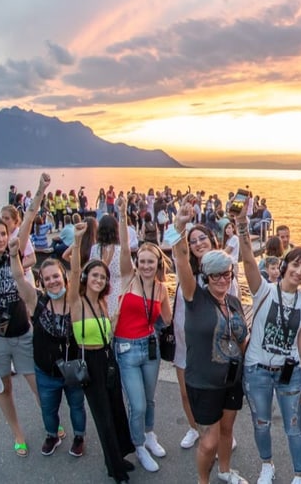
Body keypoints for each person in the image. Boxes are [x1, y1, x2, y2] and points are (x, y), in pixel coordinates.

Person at [235, 206, 301, 484]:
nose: (299, 271)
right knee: (261, 423)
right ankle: (266, 465)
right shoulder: (264, 291)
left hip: (289, 372)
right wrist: (243, 226)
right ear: (284, 265)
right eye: (295, 264)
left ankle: (298, 474)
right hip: (256, 369)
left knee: (294, 427)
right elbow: (247, 263)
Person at [0, 173, 49, 458]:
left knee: (36, 383)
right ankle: (18, 432)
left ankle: (49, 423)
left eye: (4, 233)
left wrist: (41, 189)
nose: (2, 238)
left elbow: (28, 217)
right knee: (3, 388)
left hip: (22, 330)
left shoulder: (15, 253)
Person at [173, 200, 249, 484]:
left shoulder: (233, 302)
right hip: (203, 381)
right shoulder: (195, 297)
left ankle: (225, 471)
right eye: (215, 274)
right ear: (206, 275)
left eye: (226, 274)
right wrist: (180, 227)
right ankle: (202, 481)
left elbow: (243, 339)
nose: (221, 279)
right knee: (209, 441)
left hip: (232, 379)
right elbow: (181, 258)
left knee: (227, 431)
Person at [69, 226, 134, 482]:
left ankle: (121, 457)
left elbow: (106, 333)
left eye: (103, 277)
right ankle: (113, 467)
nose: (99, 280)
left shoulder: (103, 302)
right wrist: (76, 242)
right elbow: (74, 270)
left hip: (108, 359)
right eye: (95, 275)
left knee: (117, 410)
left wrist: (115, 320)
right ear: (86, 277)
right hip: (90, 362)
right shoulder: (77, 301)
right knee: (103, 417)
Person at [113, 195, 173, 473]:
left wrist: (172, 294)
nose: (146, 265)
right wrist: (123, 214)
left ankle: (149, 434)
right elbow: (124, 248)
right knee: (136, 403)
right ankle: (137, 445)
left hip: (150, 347)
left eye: (151, 261)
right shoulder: (128, 278)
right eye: (142, 261)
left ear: (158, 263)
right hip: (126, 349)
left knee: (149, 398)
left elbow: (167, 320)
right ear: (137, 262)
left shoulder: (161, 287)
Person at [9, 245, 87, 457]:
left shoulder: (74, 301)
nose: (53, 281)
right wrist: (13, 253)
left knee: (77, 407)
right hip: (45, 370)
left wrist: (78, 240)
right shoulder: (37, 301)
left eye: (56, 276)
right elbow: (17, 276)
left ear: (64, 277)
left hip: (71, 370)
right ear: (41, 281)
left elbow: (78, 270)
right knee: (48, 409)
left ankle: (79, 437)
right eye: (47, 278)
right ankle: (52, 435)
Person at [91, 215, 125, 317]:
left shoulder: (95, 249)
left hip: (99, 291)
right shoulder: (120, 250)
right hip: (118, 292)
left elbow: (90, 269)